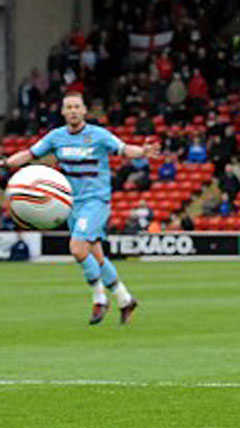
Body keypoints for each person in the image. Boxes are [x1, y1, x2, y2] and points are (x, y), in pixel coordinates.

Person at [1, 92, 159, 324]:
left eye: (77, 106)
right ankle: (125, 299)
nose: (73, 111)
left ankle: (99, 299)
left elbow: (124, 149)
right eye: (69, 107)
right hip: (71, 203)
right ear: (63, 112)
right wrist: (5, 163)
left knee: (76, 247)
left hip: (96, 201)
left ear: (84, 111)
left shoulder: (98, 135)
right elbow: (29, 154)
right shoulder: (56, 137)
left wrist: (142, 152)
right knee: (95, 255)